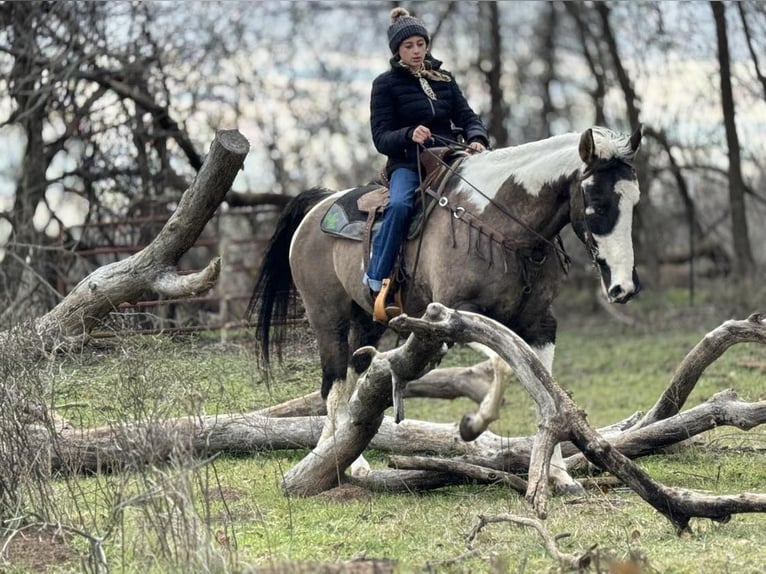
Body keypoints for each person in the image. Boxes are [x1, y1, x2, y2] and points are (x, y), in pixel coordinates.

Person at [364, 6, 490, 310]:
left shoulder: (444, 79)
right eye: (409, 46)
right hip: (408, 163)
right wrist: (409, 134)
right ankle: (376, 278)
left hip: (453, 156)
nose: (416, 51)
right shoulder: (385, 85)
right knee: (399, 205)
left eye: (421, 44)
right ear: (397, 51)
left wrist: (476, 139)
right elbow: (381, 137)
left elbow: (468, 116)